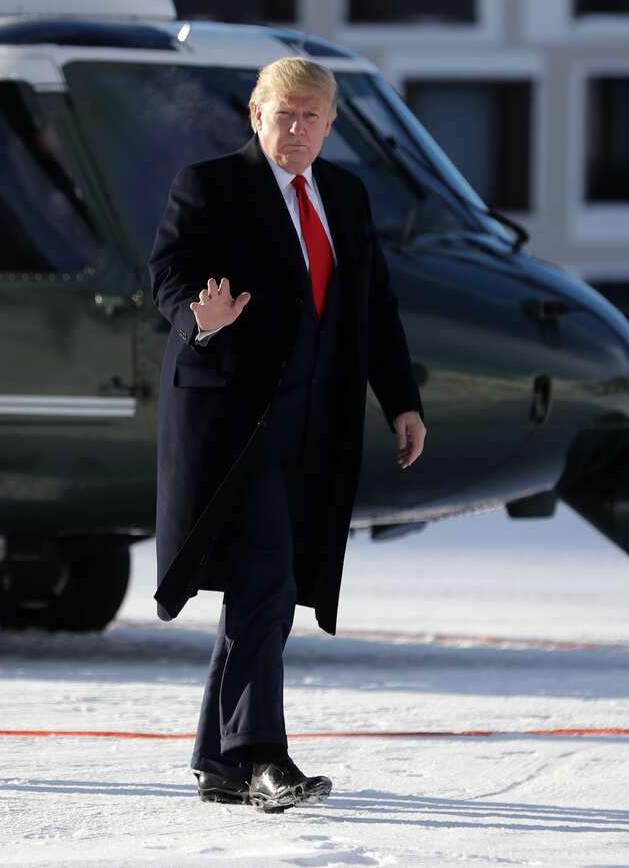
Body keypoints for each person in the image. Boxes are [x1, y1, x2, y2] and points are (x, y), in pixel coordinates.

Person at [149, 57, 426, 812]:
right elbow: (169, 273)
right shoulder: (211, 185)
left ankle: (217, 760)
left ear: (331, 125)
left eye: (312, 117)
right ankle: (261, 754)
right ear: (255, 115)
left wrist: (400, 400)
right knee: (268, 574)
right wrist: (197, 320)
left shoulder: (345, 193)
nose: (297, 128)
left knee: (261, 588)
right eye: (284, 114)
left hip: (316, 426)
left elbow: (376, 306)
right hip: (235, 425)